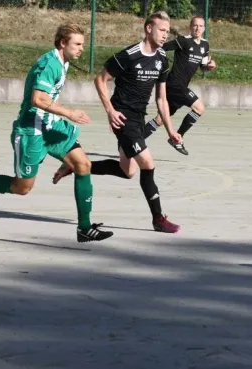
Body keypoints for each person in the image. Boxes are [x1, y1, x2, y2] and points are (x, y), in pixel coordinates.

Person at [0, 23, 114, 243]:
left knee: (83, 165)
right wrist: (69, 113)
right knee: (22, 187)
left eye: (82, 44)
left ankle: (84, 228)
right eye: (77, 44)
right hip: (31, 130)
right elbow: (37, 99)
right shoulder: (50, 64)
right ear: (63, 43)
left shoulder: (62, 62)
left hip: (51, 126)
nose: (81, 49)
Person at [52, 11, 181, 234]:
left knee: (127, 171)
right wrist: (110, 111)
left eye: (167, 31)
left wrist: (171, 131)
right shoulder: (129, 55)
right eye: (161, 30)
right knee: (148, 164)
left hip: (139, 117)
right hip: (123, 117)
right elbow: (100, 80)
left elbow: (161, 98)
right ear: (148, 28)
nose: (164, 35)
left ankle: (75, 166)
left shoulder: (162, 59)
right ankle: (158, 219)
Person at [142, 15, 217, 156]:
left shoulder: (205, 45)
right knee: (199, 108)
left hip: (179, 86)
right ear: (190, 26)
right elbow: (162, 47)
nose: (197, 28)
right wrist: (158, 63)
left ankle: (135, 142)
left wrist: (209, 66)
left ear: (204, 28)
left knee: (160, 119)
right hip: (174, 83)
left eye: (201, 26)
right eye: (195, 25)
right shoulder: (183, 41)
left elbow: (203, 67)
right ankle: (177, 138)